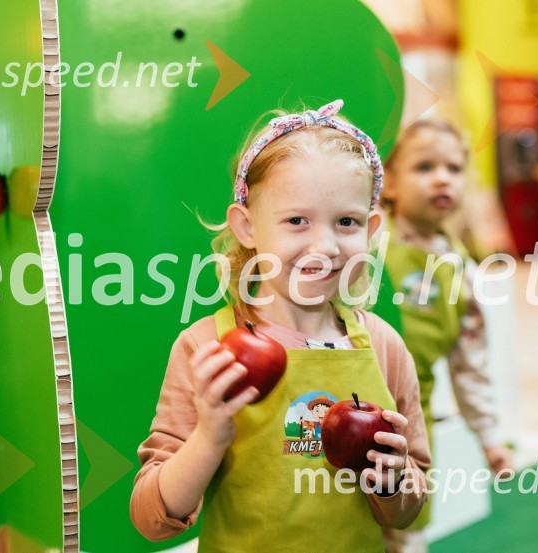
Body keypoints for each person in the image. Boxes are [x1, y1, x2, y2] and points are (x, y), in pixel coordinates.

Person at [130, 100, 432, 551]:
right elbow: (151, 519)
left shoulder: (383, 346)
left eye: (346, 222)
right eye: (296, 221)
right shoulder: (207, 348)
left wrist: (393, 480)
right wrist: (209, 438)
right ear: (247, 227)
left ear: (370, 231)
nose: (325, 245)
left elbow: (412, 508)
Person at [377, 119, 513, 553]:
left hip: (409, 419)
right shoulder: (365, 242)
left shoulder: (462, 271)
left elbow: (470, 362)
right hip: (342, 402)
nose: (442, 178)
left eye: (454, 168)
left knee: (405, 526)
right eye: (425, 167)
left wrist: (489, 436)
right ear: (389, 182)